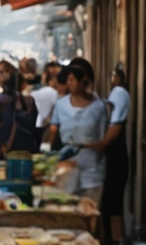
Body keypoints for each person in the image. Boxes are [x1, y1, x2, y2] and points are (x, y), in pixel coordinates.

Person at [47, 59, 112, 201]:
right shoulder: (61, 105)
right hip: (67, 170)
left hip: (93, 171)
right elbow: (54, 133)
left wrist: (86, 145)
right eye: (68, 79)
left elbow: (103, 138)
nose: (70, 83)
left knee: (90, 213)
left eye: (73, 79)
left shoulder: (99, 107)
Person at [102, 64, 131, 245]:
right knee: (113, 204)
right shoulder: (116, 95)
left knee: (112, 204)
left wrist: (99, 144)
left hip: (115, 157)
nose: (113, 79)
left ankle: (116, 243)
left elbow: (116, 126)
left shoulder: (119, 94)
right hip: (114, 156)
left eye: (115, 76)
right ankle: (115, 243)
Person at [32, 60, 64, 129]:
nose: (53, 79)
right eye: (50, 75)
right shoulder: (38, 92)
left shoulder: (65, 97)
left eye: (57, 76)